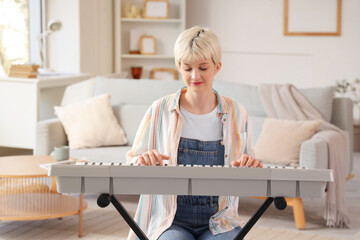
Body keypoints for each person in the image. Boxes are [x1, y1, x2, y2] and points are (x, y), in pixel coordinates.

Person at [126, 26, 263, 240]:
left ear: (217, 67)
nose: (195, 76)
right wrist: (142, 160)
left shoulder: (237, 113)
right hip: (169, 219)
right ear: (178, 66)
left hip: (220, 220)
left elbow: (250, 170)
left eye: (203, 67)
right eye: (187, 68)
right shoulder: (159, 110)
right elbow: (132, 161)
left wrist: (250, 165)